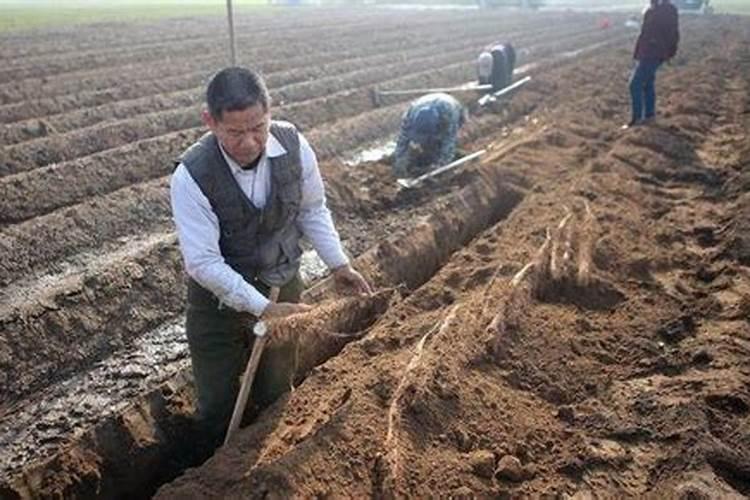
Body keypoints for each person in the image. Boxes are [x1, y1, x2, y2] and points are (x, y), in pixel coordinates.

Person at [170, 66, 371, 452]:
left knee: (277, 389)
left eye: (258, 127)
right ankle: (214, 474)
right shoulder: (192, 175)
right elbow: (203, 263)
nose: (249, 142)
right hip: (217, 301)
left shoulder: (293, 146)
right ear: (209, 121)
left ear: (270, 111)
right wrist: (261, 307)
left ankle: (268, 465)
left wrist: (339, 265)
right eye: (234, 133)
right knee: (217, 406)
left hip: (282, 284)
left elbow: (312, 209)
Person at [625, 0, 679, 128]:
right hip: (648, 52)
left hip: (654, 52)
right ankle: (649, 116)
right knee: (647, 84)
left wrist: (668, 52)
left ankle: (637, 120)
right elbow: (645, 33)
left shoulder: (666, 10)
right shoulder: (654, 8)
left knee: (635, 84)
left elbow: (673, 33)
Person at [392, 92, 467, 179]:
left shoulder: (449, 116)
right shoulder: (410, 116)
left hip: (452, 105)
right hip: (426, 104)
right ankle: (431, 155)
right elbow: (402, 139)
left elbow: (449, 140)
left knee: (443, 144)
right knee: (428, 145)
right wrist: (400, 160)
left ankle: (450, 156)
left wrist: (440, 166)